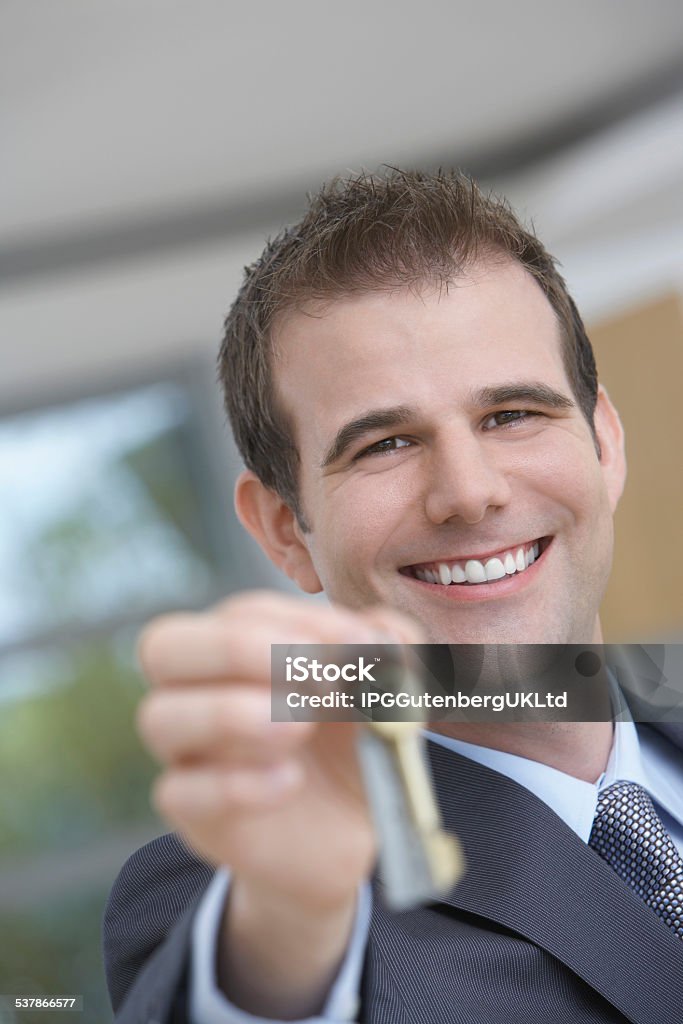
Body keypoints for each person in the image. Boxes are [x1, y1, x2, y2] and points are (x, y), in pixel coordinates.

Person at [103, 170, 683, 1024]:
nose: (469, 492)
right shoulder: (260, 904)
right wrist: (286, 924)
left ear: (603, 444)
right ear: (283, 530)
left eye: (512, 414)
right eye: (385, 443)